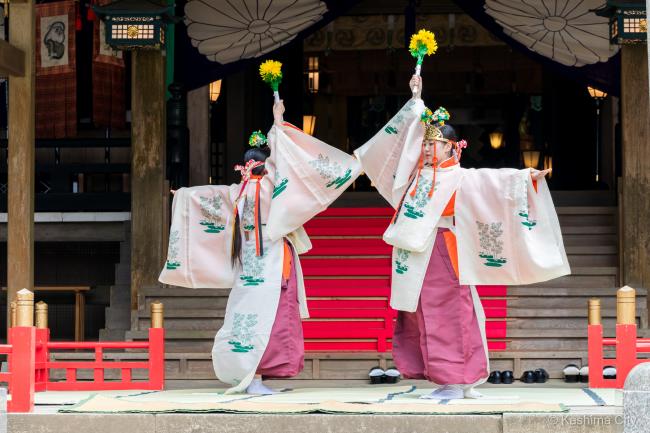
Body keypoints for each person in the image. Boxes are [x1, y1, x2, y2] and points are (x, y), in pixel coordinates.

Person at [354, 75, 570, 400]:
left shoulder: (459, 176)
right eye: (425, 143)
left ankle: (456, 380)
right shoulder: (413, 176)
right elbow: (393, 147)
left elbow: (494, 182)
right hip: (415, 253)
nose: (428, 148)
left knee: (451, 313)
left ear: (452, 147)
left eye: (434, 143)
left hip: (444, 249)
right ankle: (456, 378)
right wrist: (415, 99)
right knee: (424, 314)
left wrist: (526, 177)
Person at [160, 100, 360, 395]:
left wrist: (184, 196)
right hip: (272, 262)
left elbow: (206, 197)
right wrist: (277, 125)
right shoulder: (270, 190)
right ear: (265, 168)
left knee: (255, 316)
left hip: (255, 266)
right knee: (268, 317)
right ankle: (253, 377)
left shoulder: (238, 193)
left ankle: (253, 375)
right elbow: (289, 168)